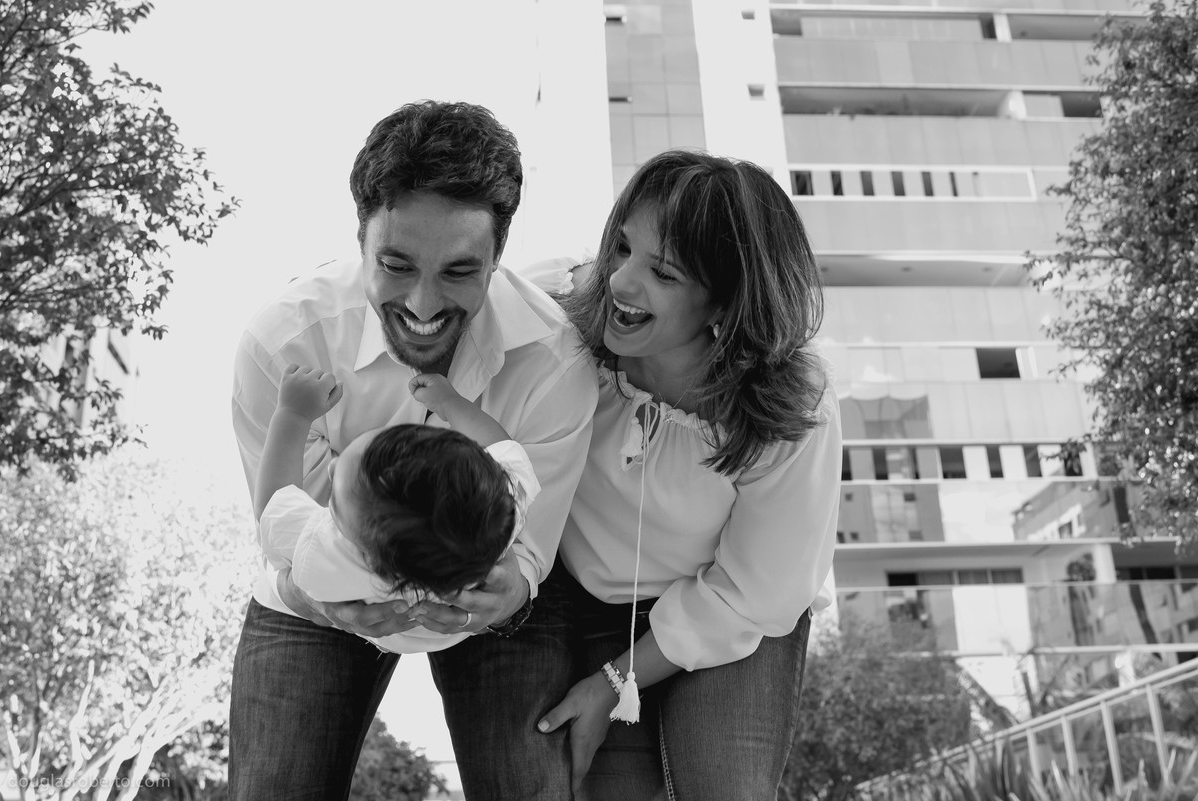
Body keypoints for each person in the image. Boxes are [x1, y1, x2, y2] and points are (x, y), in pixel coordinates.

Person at [228, 100, 598, 801]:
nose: (424, 304)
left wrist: (503, 591)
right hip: (328, 582)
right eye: (396, 265)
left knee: (531, 787)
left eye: (460, 271)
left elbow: (528, 548)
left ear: (498, 256)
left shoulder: (554, 360)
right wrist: (329, 600)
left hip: (486, 592)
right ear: (360, 238)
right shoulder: (284, 342)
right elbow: (284, 528)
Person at [530, 150, 842, 800]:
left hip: (733, 607)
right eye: (621, 246)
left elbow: (757, 591)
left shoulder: (790, 401)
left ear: (724, 299)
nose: (620, 281)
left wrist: (617, 679)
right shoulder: (553, 323)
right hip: (591, 602)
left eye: (662, 272)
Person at [252, 366, 540, 654]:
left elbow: (272, 507)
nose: (332, 465)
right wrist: (452, 403)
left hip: (365, 630)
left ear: (367, 555)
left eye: (336, 502)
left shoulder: (327, 554)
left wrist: (292, 415)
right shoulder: (494, 514)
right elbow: (504, 448)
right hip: (460, 632)